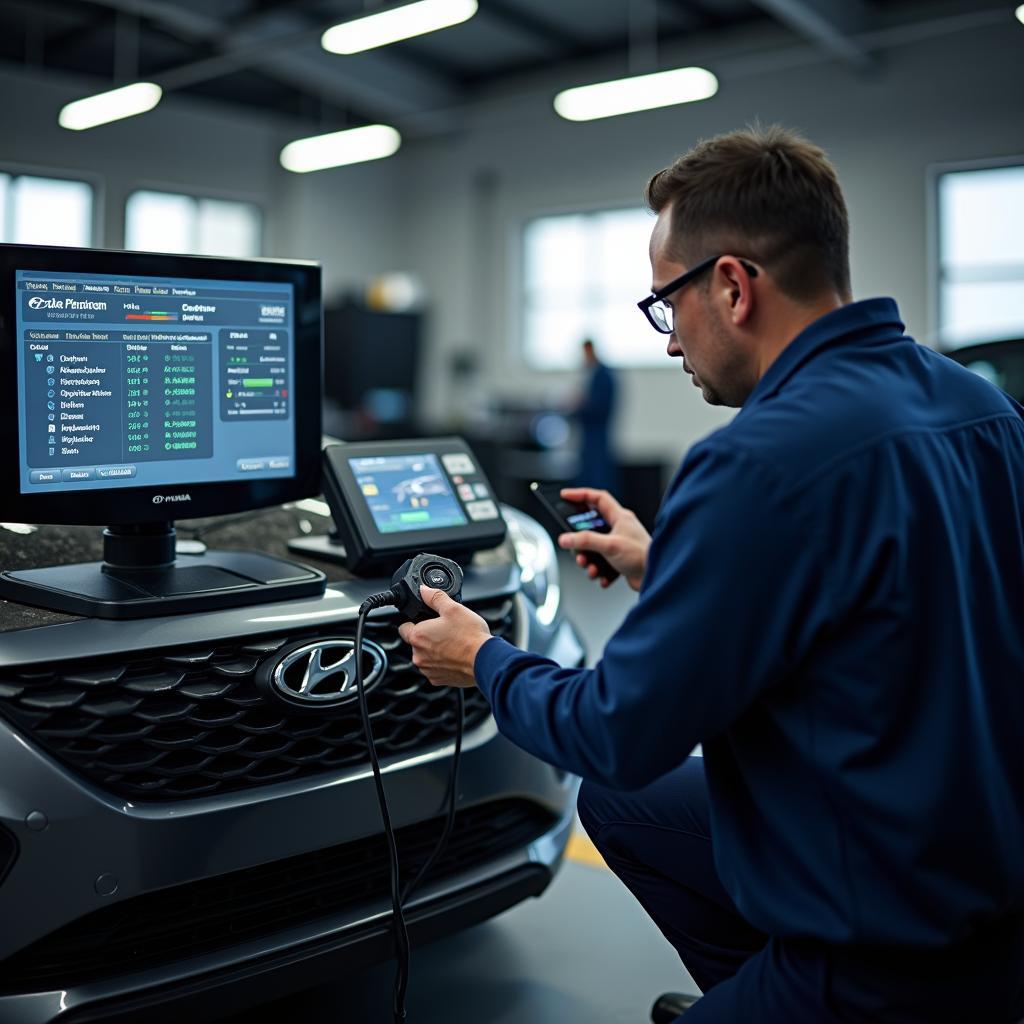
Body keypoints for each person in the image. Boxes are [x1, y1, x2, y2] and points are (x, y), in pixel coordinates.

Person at [397, 125, 1024, 1023]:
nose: (665, 340)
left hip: (874, 953)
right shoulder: (982, 407)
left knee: (614, 775)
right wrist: (671, 563)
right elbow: (893, 593)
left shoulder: (753, 464)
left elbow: (617, 732)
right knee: (631, 808)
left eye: (664, 306)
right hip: (991, 909)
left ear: (732, 286)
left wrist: (483, 658)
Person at [572, 337, 620, 494]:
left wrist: (579, 405)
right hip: (590, 435)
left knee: (597, 479)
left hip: (597, 434)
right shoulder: (594, 374)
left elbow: (599, 407)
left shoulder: (603, 375)